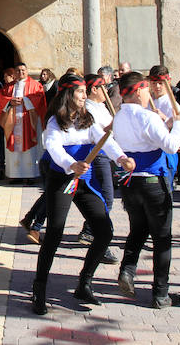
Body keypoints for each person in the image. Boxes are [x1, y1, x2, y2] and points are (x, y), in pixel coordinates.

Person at [31, 75, 135, 314]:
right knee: (55, 233)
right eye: (80, 92)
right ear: (69, 94)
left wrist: (121, 158)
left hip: (84, 181)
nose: (85, 95)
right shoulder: (55, 122)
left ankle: (84, 282)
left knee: (104, 230)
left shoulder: (88, 119)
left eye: (85, 92)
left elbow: (104, 142)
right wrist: (71, 164)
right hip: (64, 180)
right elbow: (54, 148)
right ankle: (40, 288)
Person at [113, 71, 180, 308]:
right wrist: (179, 124)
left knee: (138, 228)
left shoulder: (118, 118)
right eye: (145, 90)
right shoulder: (147, 117)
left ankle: (127, 270)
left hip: (130, 183)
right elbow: (172, 145)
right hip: (154, 181)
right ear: (137, 91)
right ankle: (160, 293)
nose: (149, 94)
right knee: (162, 237)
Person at [76, 74, 119, 264]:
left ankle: (90, 230)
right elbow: (100, 134)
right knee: (105, 198)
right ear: (94, 89)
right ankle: (97, 237)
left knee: (103, 198)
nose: (106, 91)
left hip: (105, 155)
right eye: (103, 87)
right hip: (98, 156)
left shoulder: (101, 106)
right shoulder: (89, 109)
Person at [0, 63, 47, 182]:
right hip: (13, 123)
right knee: (13, 149)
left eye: (23, 70)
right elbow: (0, 97)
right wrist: (10, 101)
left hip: (29, 122)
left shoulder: (36, 85)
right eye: (18, 71)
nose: (21, 73)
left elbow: (39, 97)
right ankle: (15, 176)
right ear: (14, 73)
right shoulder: (8, 87)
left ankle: (31, 176)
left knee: (30, 151)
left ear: (27, 71)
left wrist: (25, 100)